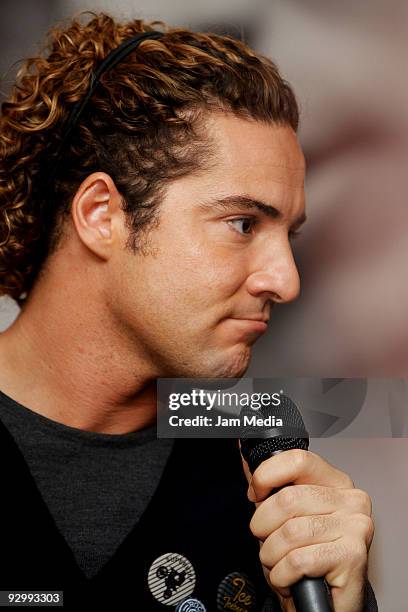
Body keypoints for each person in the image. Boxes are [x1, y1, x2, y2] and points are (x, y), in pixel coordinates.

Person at [0, 12, 377, 611]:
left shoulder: (262, 474)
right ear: (102, 214)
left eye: (289, 236)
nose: (286, 281)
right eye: (242, 224)